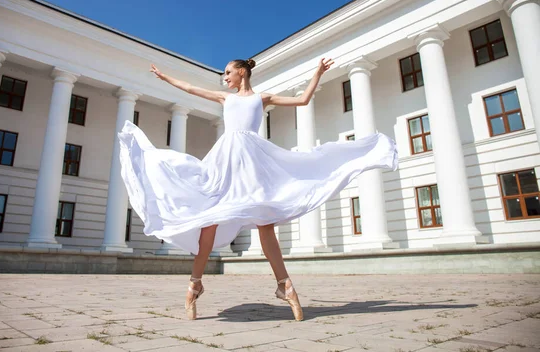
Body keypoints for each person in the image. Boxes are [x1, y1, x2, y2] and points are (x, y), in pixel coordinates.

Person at [118, 58, 397, 321]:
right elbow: (190, 88)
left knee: (266, 224)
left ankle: (284, 286)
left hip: (254, 162)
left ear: (242, 72)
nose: (224, 78)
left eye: (228, 72)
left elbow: (302, 100)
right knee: (209, 224)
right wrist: (164, 76)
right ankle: (195, 285)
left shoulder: (262, 98)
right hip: (225, 163)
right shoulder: (224, 98)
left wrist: (317, 74)